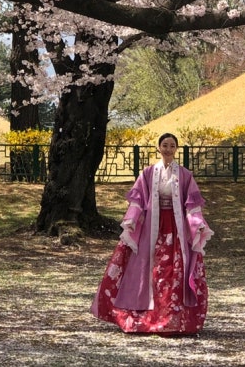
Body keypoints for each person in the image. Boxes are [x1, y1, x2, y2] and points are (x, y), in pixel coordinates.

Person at [91, 132, 213, 335]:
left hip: (176, 229)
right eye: (164, 145)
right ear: (159, 148)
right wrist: (131, 220)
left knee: (174, 269)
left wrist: (197, 223)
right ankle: (143, 317)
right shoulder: (147, 173)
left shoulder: (185, 175)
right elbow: (138, 201)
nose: (168, 149)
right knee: (147, 269)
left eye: (172, 145)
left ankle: (175, 319)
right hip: (151, 227)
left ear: (176, 149)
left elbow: (191, 206)